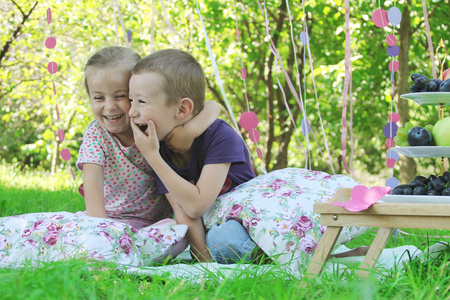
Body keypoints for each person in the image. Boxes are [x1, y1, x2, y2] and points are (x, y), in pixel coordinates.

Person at [128, 48, 264, 263]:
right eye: (131, 101)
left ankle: (275, 255)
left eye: (141, 102)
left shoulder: (221, 137)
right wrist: (204, 263)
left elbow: (196, 205)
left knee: (225, 239)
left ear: (182, 110)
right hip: (211, 226)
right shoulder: (158, 145)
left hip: (250, 222)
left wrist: (153, 157)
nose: (132, 112)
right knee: (174, 234)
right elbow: (182, 211)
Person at [76, 46, 221, 230]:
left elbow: (212, 106)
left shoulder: (155, 127)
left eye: (120, 96)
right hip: (108, 220)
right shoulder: (96, 133)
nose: (110, 106)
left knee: (175, 238)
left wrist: (188, 131)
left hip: (153, 226)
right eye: (98, 97)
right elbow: (92, 179)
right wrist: (101, 232)